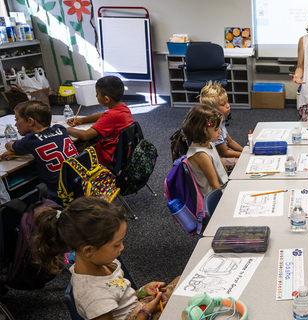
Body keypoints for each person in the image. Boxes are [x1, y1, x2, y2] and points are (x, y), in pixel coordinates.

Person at [30, 196, 179, 320]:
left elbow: (121, 296)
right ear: (88, 250)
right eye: (116, 245)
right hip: (141, 315)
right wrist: (146, 312)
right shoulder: (93, 297)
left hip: (140, 307)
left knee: (182, 280)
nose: (122, 248)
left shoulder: (104, 261)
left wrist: (142, 291)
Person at [2, 100, 78, 200]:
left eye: (16, 120)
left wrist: (18, 147)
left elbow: (8, 145)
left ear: (30, 121)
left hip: (57, 194)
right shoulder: (60, 129)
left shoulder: (30, 140)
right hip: (77, 185)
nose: (15, 125)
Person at [67, 76, 133, 168]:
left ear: (106, 99)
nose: (96, 96)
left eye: (97, 93)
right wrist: (82, 120)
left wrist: (68, 129)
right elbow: (103, 114)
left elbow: (85, 135)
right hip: (122, 154)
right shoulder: (123, 108)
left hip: (107, 158)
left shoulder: (110, 116)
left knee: (82, 147)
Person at [182, 104, 229, 195]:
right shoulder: (201, 154)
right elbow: (214, 185)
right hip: (216, 197)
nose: (220, 131)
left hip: (224, 187)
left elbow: (223, 169)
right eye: (216, 129)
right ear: (202, 130)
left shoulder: (210, 143)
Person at [199, 81, 243, 170]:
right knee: (244, 162)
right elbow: (225, 153)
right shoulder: (213, 127)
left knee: (246, 158)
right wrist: (245, 155)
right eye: (223, 104)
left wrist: (245, 151)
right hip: (216, 159)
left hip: (222, 154)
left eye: (227, 102)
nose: (228, 106)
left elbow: (230, 142)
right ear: (211, 109)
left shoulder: (221, 120)